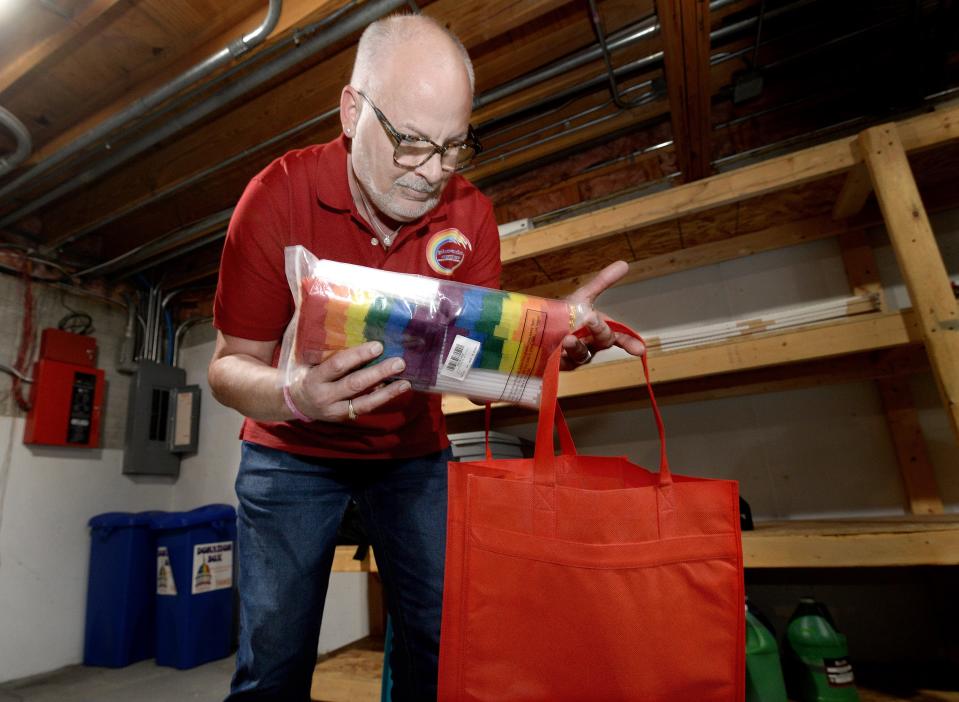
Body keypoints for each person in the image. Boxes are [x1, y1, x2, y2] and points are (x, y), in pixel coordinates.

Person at [208, 13, 645, 702]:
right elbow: (228, 368)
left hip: (409, 454)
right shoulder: (276, 196)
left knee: (443, 640)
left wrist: (551, 345)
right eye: (410, 142)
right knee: (272, 658)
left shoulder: (469, 216)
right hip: (288, 451)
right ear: (352, 111)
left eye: (453, 146)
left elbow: (473, 369)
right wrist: (295, 394)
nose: (432, 172)